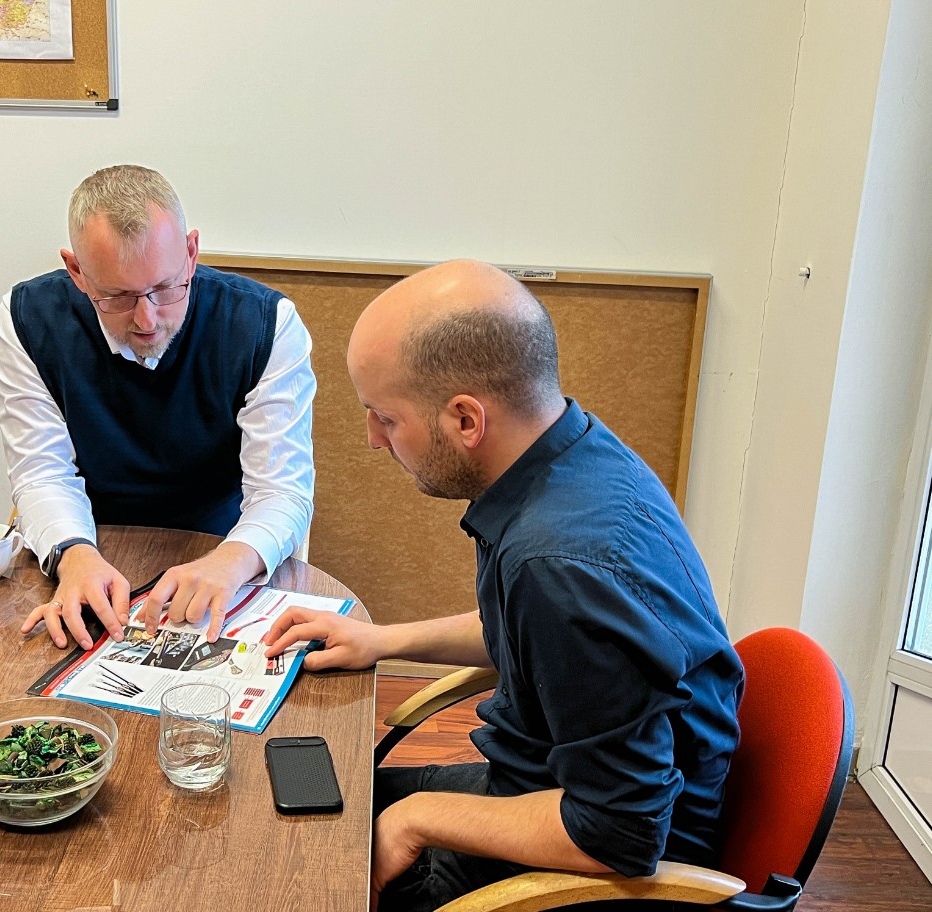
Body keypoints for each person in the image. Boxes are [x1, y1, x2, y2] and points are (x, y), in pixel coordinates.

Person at [265, 260, 744, 912]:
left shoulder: (559, 564)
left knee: (295, 871)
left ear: (466, 419)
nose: (374, 440)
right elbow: (527, 633)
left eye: (385, 417)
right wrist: (379, 640)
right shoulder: (574, 457)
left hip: (600, 861)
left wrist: (417, 819)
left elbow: (620, 833)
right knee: (310, 805)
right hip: (551, 784)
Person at [0, 165, 316, 650]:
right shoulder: (27, 320)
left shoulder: (263, 325)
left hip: (225, 544)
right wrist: (75, 555)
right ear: (77, 272)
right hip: (87, 545)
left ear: (191, 253)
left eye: (165, 288)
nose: (147, 319)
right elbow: (42, 473)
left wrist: (230, 560)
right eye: (117, 296)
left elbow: (282, 489)